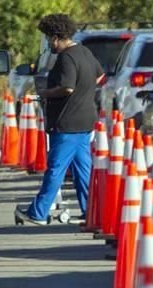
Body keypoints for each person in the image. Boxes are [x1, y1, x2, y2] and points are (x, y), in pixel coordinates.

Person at [16, 13, 104, 225]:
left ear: (56, 37)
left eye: (48, 39)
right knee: (84, 170)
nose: (49, 43)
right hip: (85, 121)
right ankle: (92, 212)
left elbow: (67, 87)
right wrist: (86, 91)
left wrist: (43, 94)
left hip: (67, 123)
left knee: (56, 168)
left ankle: (37, 212)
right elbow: (99, 76)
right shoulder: (85, 52)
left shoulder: (66, 57)